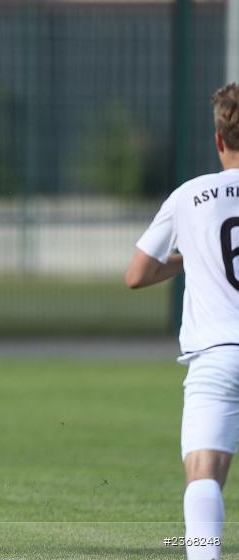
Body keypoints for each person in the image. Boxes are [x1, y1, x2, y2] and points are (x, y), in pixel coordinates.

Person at [125, 82, 239, 560]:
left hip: (217, 356)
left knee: (204, 476)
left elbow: (137, 274)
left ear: (218, 140)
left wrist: (188, 259)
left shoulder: (190, 196)